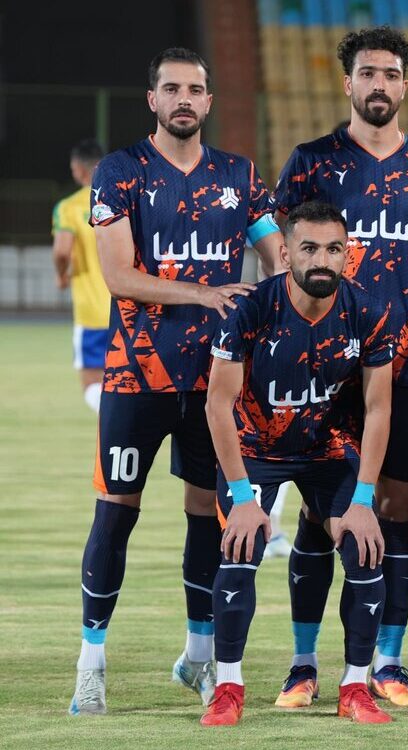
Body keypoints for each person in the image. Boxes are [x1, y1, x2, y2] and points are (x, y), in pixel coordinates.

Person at [70, 47, 281, 716]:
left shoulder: (239, 175)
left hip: (215, 382)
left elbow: (276, 258)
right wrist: (205, 292)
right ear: (153, 100)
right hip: (136, 376)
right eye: (172, 88)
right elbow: (119, 276)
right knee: (115, 515)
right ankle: (91, 662)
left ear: (209, 101)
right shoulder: (120, 171)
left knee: (206, 519)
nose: (184, 98)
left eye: (195, 89)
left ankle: (198, 657)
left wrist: (271, 303)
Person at [273, 26, 408, 708]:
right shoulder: (311, 162)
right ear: (348, 83)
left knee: (396, 507)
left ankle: (387, 660)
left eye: (390, 74)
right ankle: (304, 663)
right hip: (324, 372)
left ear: (404, 86)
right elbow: (282, 253)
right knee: (317, 510)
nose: (379, 84)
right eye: (367, 73)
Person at [199, 200, 395, 726]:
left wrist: (362, 500)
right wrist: (244, 498)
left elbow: (379, 409)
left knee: (365, 549)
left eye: (333, 249)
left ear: (347, 254)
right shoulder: (250, 309)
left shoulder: (369, 312)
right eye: (309, 248)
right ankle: (228, 688)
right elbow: (218, 405)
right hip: (256, 450)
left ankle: (354, 687)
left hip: (329, 450)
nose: (322, 260)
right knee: (240, 548)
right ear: (285, 254)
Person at [51, 139, 112, 413]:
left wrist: (61, 276)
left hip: (92, 313)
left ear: (78, 169)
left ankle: (115, 426)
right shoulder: (123, 201)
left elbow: (62, 251)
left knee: (91, 384)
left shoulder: (69, 207)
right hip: (128, 309)